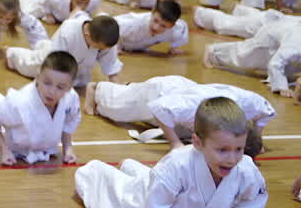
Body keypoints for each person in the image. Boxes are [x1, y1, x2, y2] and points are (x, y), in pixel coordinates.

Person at [74, 97, 267, 208]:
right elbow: (155, 203)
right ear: (197, 143)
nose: (232, 159)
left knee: (160, 181)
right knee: (118, 194)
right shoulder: (178, 163)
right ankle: (97, 171)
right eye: (222, 150)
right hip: (150, 200)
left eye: (239, 149)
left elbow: (247, 203)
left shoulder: (245, 170)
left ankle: (133, 167)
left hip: (175, 197)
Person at [84, 75, 274, 150]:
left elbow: (266, 111)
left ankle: (129, 88)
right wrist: (174, 143)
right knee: (116, 110)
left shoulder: (249, 106)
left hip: (184, 96)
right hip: (163, 92)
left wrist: (258, 141)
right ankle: (97, 87)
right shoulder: (198, 107)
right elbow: (160, 107)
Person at [0, 51, 81, 165]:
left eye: (60, 87)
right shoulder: (19, 102)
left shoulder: (70, 98)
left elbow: (69, 121)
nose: (51, 91)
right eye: (47, 83)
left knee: (1, 104)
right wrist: (3, 150)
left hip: (42, 146)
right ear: (38, 75)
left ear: (70, 87)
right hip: (11, 143)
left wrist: (68, 148)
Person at [6, 13, 122, 88]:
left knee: (80, 83)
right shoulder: (69, 31)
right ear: (87, 35)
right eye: (99, 47)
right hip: (53, 56)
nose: (101, 50)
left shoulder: (104, 36)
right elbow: (56, 60)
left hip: (77, 70)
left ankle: (42, 45)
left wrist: (115, 85)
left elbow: (110, 63)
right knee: (30, 64)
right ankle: (11, 53)